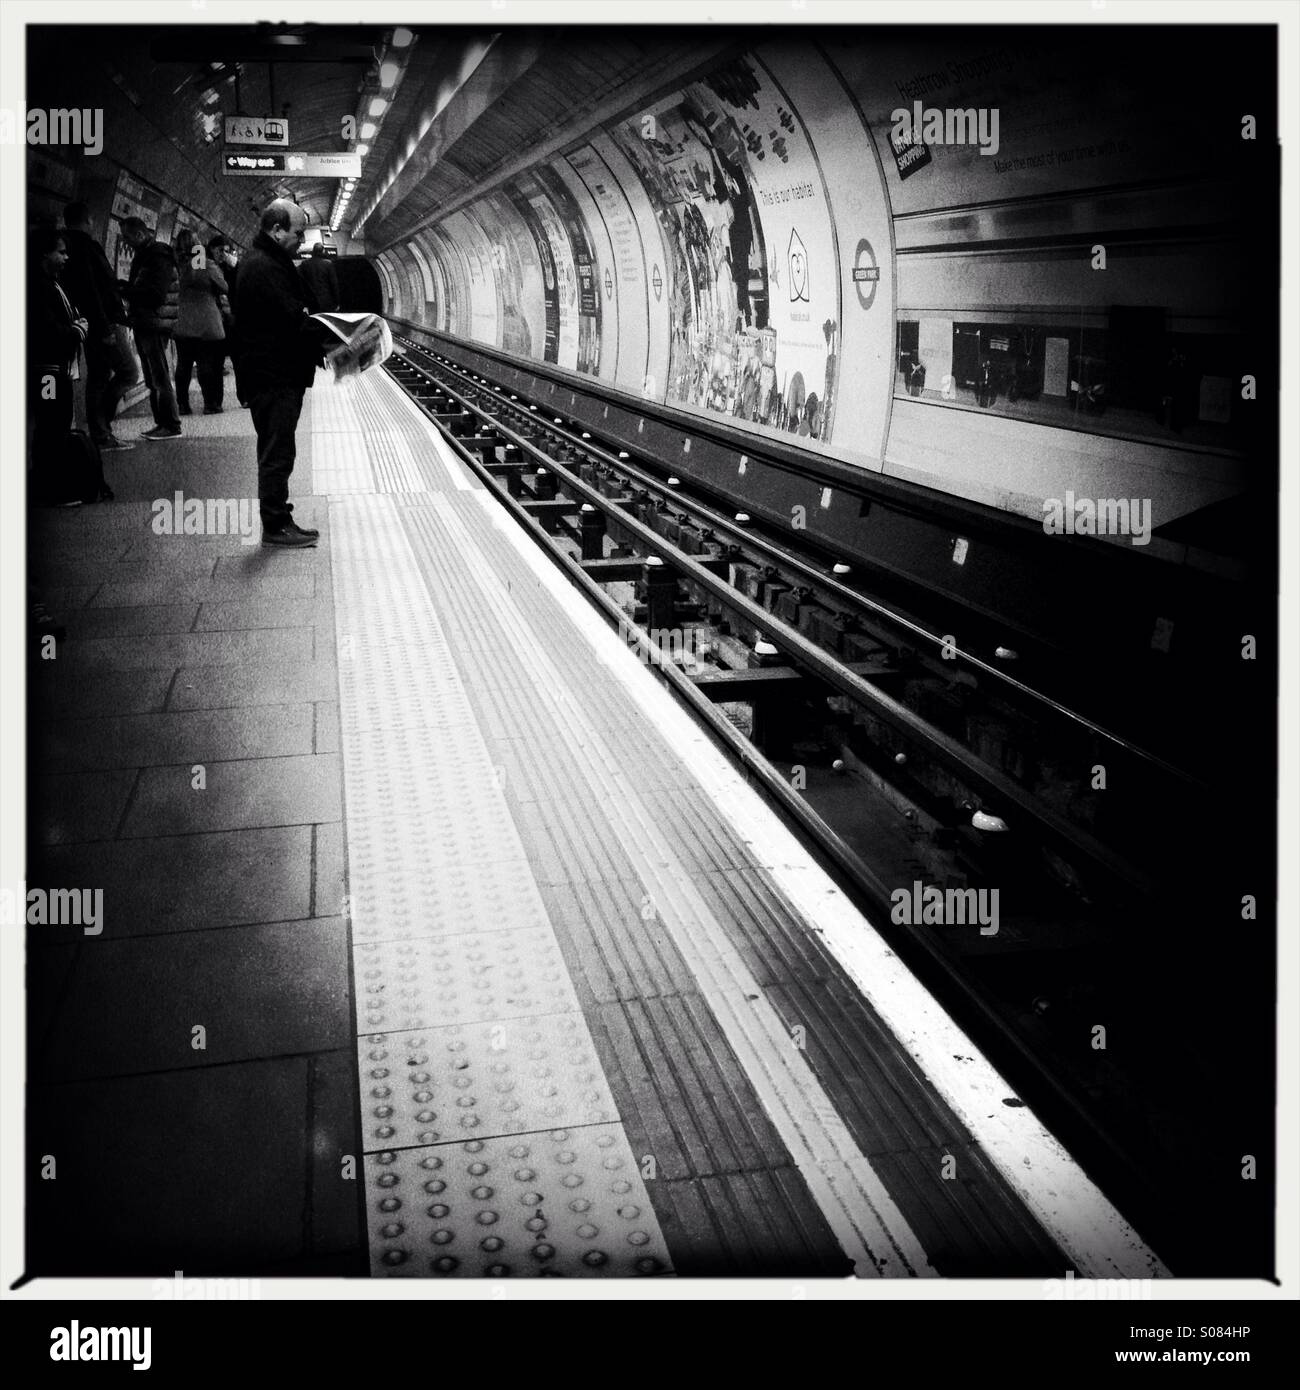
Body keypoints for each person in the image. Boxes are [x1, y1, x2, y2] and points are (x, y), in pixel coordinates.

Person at [234, 199, 326, 547]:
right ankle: (275, 525)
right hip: (272, 375)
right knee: (277, 451)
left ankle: (281, 518)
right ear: (276, 230)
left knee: (278, 448)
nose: (301, 241)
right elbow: (292, 320)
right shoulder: (264, 268)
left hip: (274, 372)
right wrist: (332, 334)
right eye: (297, 232)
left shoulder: (267, 262)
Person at [60, 201, 139, 452]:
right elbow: (93, 290)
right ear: (88, 220)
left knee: (99, 375)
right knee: (128, 372)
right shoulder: (86, 246)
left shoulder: (66, 245)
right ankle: (101, 426)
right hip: (103, 321)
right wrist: (105, 328)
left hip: (87, 321)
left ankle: (100, 433)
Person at [27, 227, 89, 497]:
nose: (66, 258)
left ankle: (50, 482)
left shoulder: (52, 283)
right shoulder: (38, 287)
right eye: (60, 252)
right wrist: (76, 331)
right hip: (47, 373)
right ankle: (49, 488)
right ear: (45, 253)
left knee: (55, 421)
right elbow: (46, 330)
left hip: (55, 369)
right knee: (51, 421)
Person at [119, 216, 181, 440]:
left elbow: (155, 294)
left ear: (139, 234)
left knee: (159, 376)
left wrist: (126, 290)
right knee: (153, 377)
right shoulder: (148, 255)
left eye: (127, 237)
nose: (126, 242)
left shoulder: (157, 256)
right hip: (147, 322)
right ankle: (162, 422)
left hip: (154, 323)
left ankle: (171, 424)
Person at [173, 228, 229, 414]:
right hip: (206, 322)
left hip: (182, 321)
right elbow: (224, 286)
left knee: (183, 366)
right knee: (206, 365)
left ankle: (182, 405)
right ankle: (210, 404)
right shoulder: (203, 263)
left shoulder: (176, 264)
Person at [298, 243, 340, 313]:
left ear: (313, 251)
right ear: (323, 251)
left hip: (311, 300)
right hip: (327, 300)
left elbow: (301, 282)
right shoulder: (328, 264)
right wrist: (337, 301)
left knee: (314, 321)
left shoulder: (305, 263)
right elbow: (334, 284)